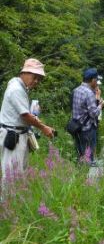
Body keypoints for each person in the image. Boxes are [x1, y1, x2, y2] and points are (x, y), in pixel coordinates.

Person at [0, 58, 55, 198]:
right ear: (24, 73)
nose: (36, 81)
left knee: (19, 171)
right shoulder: (16, 89)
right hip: (13, 135)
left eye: (39, 79)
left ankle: (16, 202)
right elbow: (25, 116)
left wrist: (35, 117)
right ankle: (7, 206)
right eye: (34, 76)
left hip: (20, 134)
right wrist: (43, 127)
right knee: (11, 174)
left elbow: (25, 114)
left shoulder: (21, 87)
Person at [72, 68, 104, 165]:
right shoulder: (89, 93)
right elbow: (94, 113)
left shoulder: (76, 90)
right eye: (96, 80)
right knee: (87, 156)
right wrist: (100, 106)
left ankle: (79, 175)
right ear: (93, 80)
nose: (97, 83)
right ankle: (86, 176)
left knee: (80, 153)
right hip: (87, 129)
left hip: (77, 127)